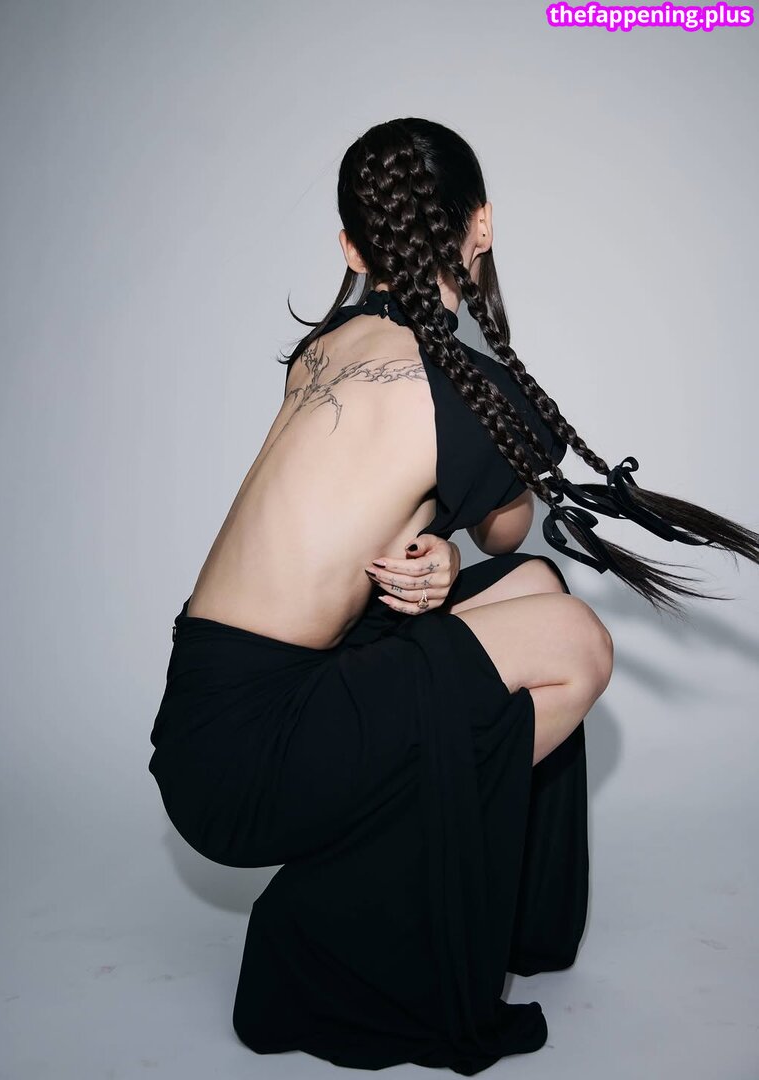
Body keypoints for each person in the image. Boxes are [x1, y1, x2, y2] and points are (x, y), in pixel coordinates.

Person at [148, 117, 759, 1075]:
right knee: (576, 641)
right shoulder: (467, 385)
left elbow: (361, 525)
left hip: (208, 718)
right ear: (482, 227)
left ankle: (494, 911)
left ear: (351, 248)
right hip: (257, 755)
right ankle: (363, 905)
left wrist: (431, 553)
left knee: (535, 589)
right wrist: (457, 520)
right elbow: (504, 525)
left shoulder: (324, 351)